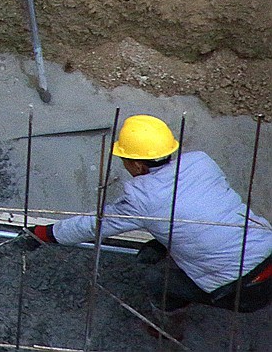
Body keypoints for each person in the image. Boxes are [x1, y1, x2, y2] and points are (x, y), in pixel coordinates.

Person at [25, 114, 272, 331]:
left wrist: (44, 233)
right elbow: (202, 210)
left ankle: (167, 328)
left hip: (244, 288)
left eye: (124, 160)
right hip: (268, 247)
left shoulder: (141, 198)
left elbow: (93, 225)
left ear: (137, 165)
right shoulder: (201, 162)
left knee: (159, 283)